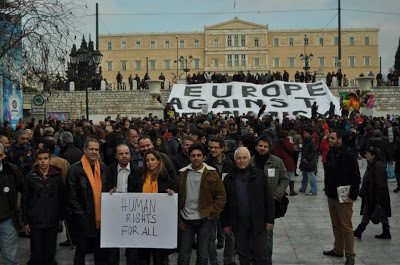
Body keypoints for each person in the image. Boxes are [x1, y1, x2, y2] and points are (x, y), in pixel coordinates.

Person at [66, 138, 118, 265]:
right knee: (81, 252)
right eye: (91, 149)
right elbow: (71, 196)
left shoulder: (103, 168)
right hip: (82, 218)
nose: (94, 152)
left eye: (96, 149)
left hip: (101, 217)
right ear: (84, 150)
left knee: (100, 253)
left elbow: (107, 189)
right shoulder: (75, 169)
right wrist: (82, 215)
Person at [221, 147, 275, 265]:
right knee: (243, 254)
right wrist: (225, 223)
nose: (242, 161)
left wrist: (270, 220)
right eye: (239, 158)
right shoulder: (229, 178)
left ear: (249, 159)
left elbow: (268, 200)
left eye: (244, 158)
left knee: (261, 255)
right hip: (239, 223)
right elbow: (225, 202)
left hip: (258, 222)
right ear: (235, 160)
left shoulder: (260, 175)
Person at [177, 143, 226, 265]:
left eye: (199, 155)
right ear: (189, 157)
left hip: (205, 219)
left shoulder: (212, 173)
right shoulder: (182, 174)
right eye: (193, 155)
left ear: (204, 157)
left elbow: (221, 195)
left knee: (203, 255)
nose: (196, 158)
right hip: (186, 220)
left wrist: (214, 213)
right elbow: (177, 197)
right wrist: (179, 217)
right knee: (183, 255)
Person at [128, 149, 175, 265]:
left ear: (158, 161)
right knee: (143, 255)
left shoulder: (166, 177)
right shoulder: (138, 175)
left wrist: (171, 194)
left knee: (159, 255)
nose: (150, 162)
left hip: (159, 223)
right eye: (147, 160)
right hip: (141, 222)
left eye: (152, 159)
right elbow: (131, 194)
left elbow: (173, 197)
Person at [323, 130, 360, 265]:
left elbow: (356, 175)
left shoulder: (348, 154)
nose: (330, 140)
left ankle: (350, 255)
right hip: (331, 194)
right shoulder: (332, 151)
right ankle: (338, 249)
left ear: (340, 140)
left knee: (346, 226)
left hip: (344, 195)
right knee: (336, 224)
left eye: (332, 138)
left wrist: (353, 195)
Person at [22, 149, 64, 265]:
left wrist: (60, 216)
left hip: (52, 219)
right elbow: (25, 200)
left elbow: (61, 197)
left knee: (50, 251)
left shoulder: (57, 176)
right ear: (37, 160)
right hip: (35, 220)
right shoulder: (30, 177)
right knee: (36, 252)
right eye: (40, 159)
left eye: (45, 159)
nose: (43, 161)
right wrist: (25, 221)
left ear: (49, 159)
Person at [250, 136, 288, 265]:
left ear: (269, 148)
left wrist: (276, 195)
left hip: (269, 205)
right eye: (260, 146)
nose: (262, 148)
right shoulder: (250, 162)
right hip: (252, 204)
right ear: (256, 146)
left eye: (265, 146)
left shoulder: (276, 162)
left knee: (267, 237)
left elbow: (284, 179)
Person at [108, 144, 143, 264]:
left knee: (132, 247)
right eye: (121, 154)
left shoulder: (137, 171)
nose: (124, 156)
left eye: (127, 153)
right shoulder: (109, 170)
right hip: (114, 212)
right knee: (113, 246)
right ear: (116, 156)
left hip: (132, 213)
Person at [204, 137, 235, 265]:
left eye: (216, 147)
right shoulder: (206, 164)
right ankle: (214, 261)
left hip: (228, 203)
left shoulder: (231, 163)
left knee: (230, 235)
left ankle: (228, 260)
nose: (212, 150)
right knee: (210, 236)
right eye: (210, 147)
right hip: (211, 204)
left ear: (223, 148)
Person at [353, 146, 391, 239]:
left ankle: (359, 230)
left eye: (367, 154)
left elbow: (380, 183)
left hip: (376, 195)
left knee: (374, 211)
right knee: (375, 212)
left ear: (373, 156)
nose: (365, 155)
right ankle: (385, 231)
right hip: (371, 194)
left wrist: (378, 198)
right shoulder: (372, 164)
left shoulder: (378, 166)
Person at [0, 143, 24, 265]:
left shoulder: (11, 170)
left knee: (9, 256)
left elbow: (21, 188)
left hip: (7, 219)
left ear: (3, 155)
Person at [273, 130, 297, 196]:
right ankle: (291, 191)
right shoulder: (286, 142)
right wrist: (292, 143)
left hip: (279, 161)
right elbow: (292, 150)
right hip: (287, 160)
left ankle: (283, 191)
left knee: (281, 177)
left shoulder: (277, 143)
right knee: (291, 175)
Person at [299, 127, 317, 195]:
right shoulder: (306, 140)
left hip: (309, 161)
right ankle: (303, 188)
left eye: (305, 133)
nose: (303, 134)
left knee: (311, 175)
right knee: (304, 175)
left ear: (309, 133)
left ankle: (313, 190)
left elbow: (313, 151)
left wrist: (307, 159)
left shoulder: (312, 140)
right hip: (304, 160)